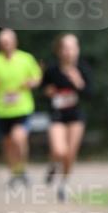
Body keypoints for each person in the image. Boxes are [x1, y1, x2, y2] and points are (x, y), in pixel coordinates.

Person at [0, 28, 42, 188]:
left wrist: (31, 83)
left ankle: (22, 169)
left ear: (15, 42)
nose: (5, 45)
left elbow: (37, 77)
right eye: (2, 43)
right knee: (7, 144)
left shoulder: (26, 58)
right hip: (2, 111)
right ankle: (15, 172)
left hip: (22, 109)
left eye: (7, 42)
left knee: (18, 138)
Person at [42, 33, 92, 200]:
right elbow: (43, 89)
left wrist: (78, 82)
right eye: (66, 48)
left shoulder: (83, 69)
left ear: (77, 50)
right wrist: (48, 92)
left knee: (70, 153)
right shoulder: (52, 69)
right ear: (59, 50)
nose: (69, 51)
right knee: (59, 150)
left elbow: (90, 94)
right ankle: (53, 164)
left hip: (76, 116)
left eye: (73, 47)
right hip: (57, 115)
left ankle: (63, 184)